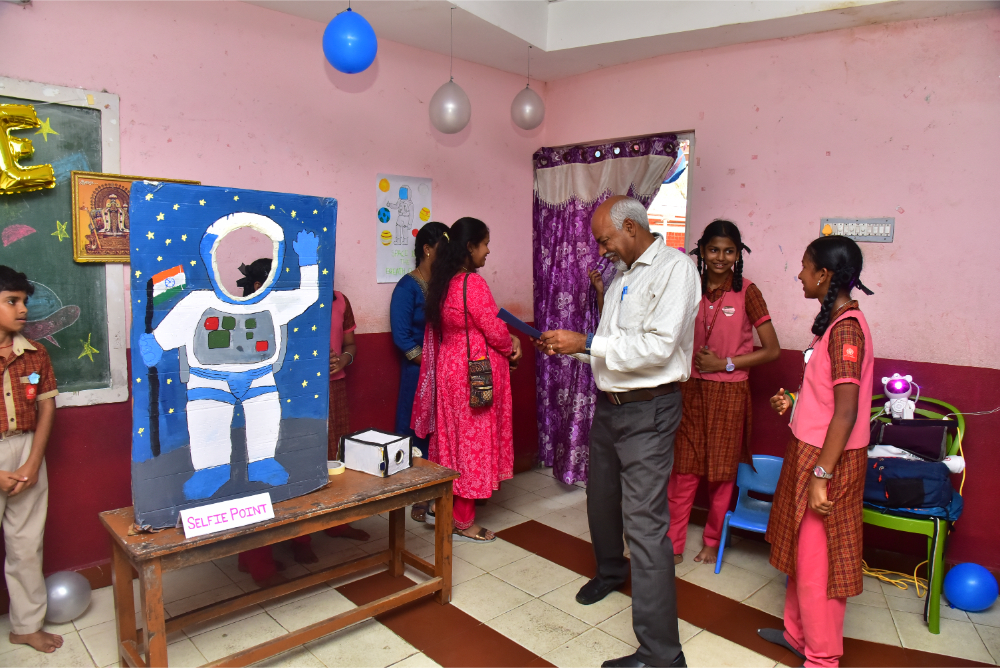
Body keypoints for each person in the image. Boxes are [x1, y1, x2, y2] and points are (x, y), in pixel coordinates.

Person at [537, 196, 699, 668]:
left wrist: (586, 341)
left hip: (649, 410)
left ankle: (662, 654)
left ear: (631, 227)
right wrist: (571, 348)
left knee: (645, 525)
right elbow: (614, 349)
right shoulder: (622, 275)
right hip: (610, 407)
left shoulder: (675, 269)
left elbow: (658, 348)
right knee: (601, 499)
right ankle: (610, 571)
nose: (601, 249)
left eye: (605, 239)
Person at [758, 236, 875, 668]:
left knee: (818, 562)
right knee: (801, 552)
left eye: (805, 267)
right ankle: (797, 635)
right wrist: (795, 400)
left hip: (829, 460)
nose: (800, 275)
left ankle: (822, 657)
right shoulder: (833, 323)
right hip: (810, 450)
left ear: (824, 275)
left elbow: (846, 411)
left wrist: (822, 475)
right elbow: (827, 394)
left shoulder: (846, 330)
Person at [666, 220, 780, 565]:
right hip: (689, 389)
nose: (720, 257)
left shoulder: (748, 292)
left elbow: (772, 350)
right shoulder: (689, 286)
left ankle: (713, 541)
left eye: (729, 251)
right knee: (683, 471)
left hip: (730, 393)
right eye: (714, 249)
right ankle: (673, 543)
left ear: (738, 254)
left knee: (721, 473)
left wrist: (725, 363)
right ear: (701, 250)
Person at [412, 217, 522, 542]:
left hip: (450, 369)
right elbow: (494, 330)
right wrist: (512, 346)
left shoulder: (443, 282)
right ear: (470, 246)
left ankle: (441, 506)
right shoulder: (472, 283)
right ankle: (462, 520)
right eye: (485, 244)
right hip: (473, 374)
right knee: (473, 443)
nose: (488, 251)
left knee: (453, 441)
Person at [0, 266, 62, 653]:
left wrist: (32, 462)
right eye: (12, 301)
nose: (23, 309)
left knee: (26, 545)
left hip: (26, 449)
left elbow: (47, 409)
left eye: (24, 301)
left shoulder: (35, 354)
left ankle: (26, 625)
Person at [391, 221, 449, 523]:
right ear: (427, 250)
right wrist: (431, 365)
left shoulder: (446, 286)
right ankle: (417, 494)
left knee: (443, 430)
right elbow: (402, 338)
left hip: (446, 373)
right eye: (443, 250)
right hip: (419, 374)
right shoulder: (406, 287)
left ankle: (442, 491)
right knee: (417, 432)